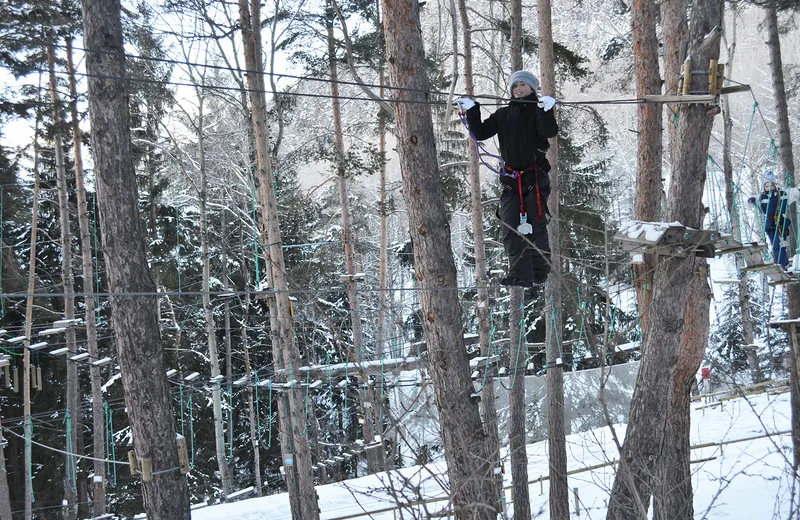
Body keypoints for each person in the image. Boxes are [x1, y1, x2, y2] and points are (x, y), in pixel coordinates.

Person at [453, 70, 558, 287]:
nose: (518, 89)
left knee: (536, 225)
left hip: (535, 178)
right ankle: (520, 274)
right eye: (515, 86)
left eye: (523, 85)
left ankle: (539, 271)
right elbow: (481, 132)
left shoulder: (537, 112)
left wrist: (546, 111)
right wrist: (473, 111)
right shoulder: (503, 115)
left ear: (532, 89)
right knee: (510, 226)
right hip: (511, 181)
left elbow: (549, 131)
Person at [748, 174, 794, 269]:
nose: (769, 188)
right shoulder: (761, 197)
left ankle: (781, 266)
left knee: (779, 245)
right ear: (764, 187)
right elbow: (749, 203)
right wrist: (750, 200)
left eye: (771, 185)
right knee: (775, 246)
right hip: (770, 225)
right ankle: (782, 265)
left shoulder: (783, 194)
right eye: (766, 186)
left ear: (775, 185)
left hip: (781, 223)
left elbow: (795, 193)